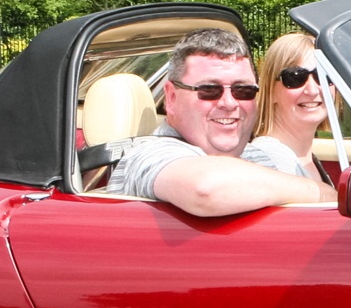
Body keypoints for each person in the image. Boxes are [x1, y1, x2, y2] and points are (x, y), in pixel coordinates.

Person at [107, 27, 335, 214]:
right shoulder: (150, 154)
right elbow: (206, 188)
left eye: (243, 90)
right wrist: (325, 195)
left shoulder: (255, 156)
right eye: (209, 89)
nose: (229, 103)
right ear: (172, 97)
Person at [248, 31, 331, 181]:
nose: (312, 90)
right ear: (270, 90)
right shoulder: (272, 160)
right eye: (295, 77)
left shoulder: (305, 159)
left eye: (323, 76)